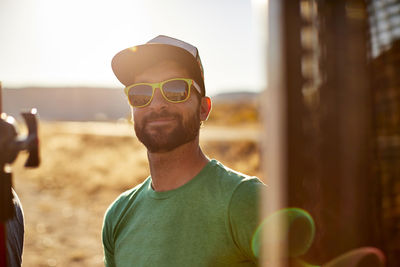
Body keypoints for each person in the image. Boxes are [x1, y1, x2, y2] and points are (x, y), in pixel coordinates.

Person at [102, 35, 266, 267]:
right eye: (141, 93)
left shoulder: (246, 200)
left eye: (176, 89)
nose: (156, 103)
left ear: (203, 108)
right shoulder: (118, 215)